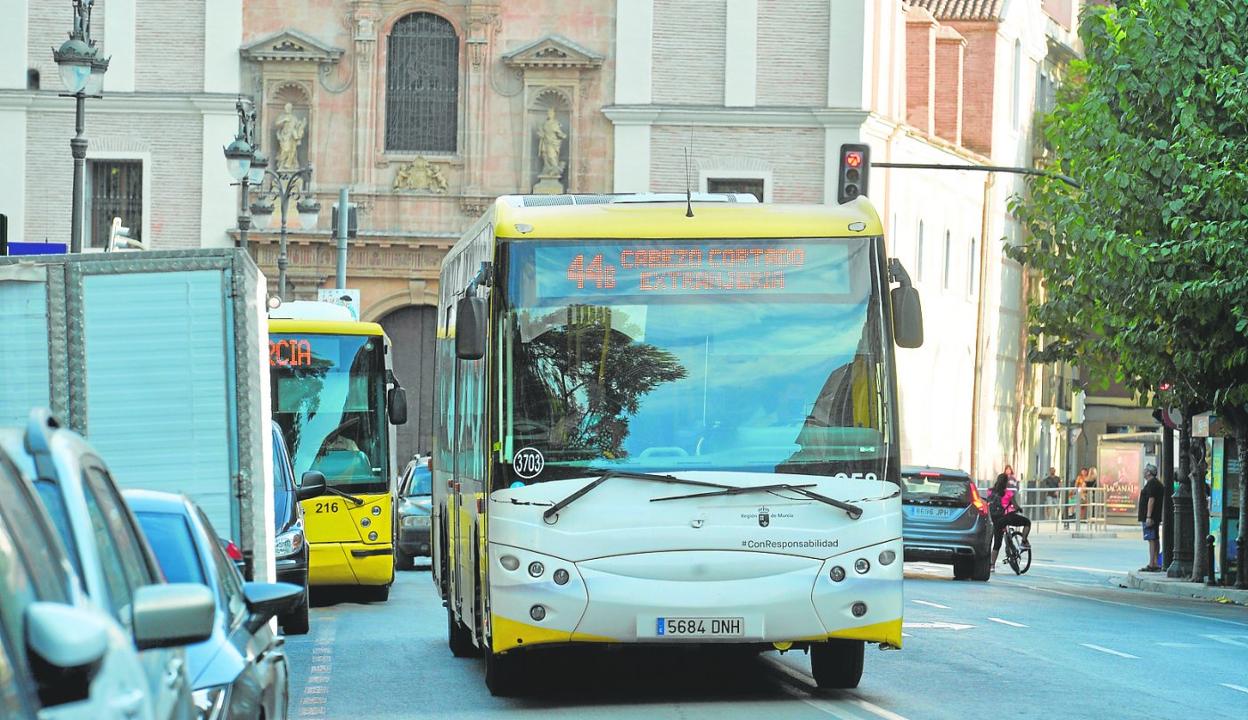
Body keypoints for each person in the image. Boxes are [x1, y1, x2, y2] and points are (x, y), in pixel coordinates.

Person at [986, 472, 1031, 571]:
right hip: (1007, 517)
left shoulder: (990, 491)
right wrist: (1019, 509)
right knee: (1027, 522)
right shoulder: (1008, 493)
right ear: (1006, 482)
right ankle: (1023, 542)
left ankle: (992, 565)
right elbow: (1016, 506)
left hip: (995, 520)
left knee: (997, 543)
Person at [1137, 465, 1165, 572]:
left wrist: (1148, 516)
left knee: (1151, 539)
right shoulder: (1155, 484)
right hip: (1154, 516)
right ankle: (1155, 561)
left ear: (1149, 472)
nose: (1143, 472)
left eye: (1145, 470)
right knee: (1154, 539)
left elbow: (1151, 500)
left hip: (1150, 517)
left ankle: (1152, 563)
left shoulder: (1152, 484)